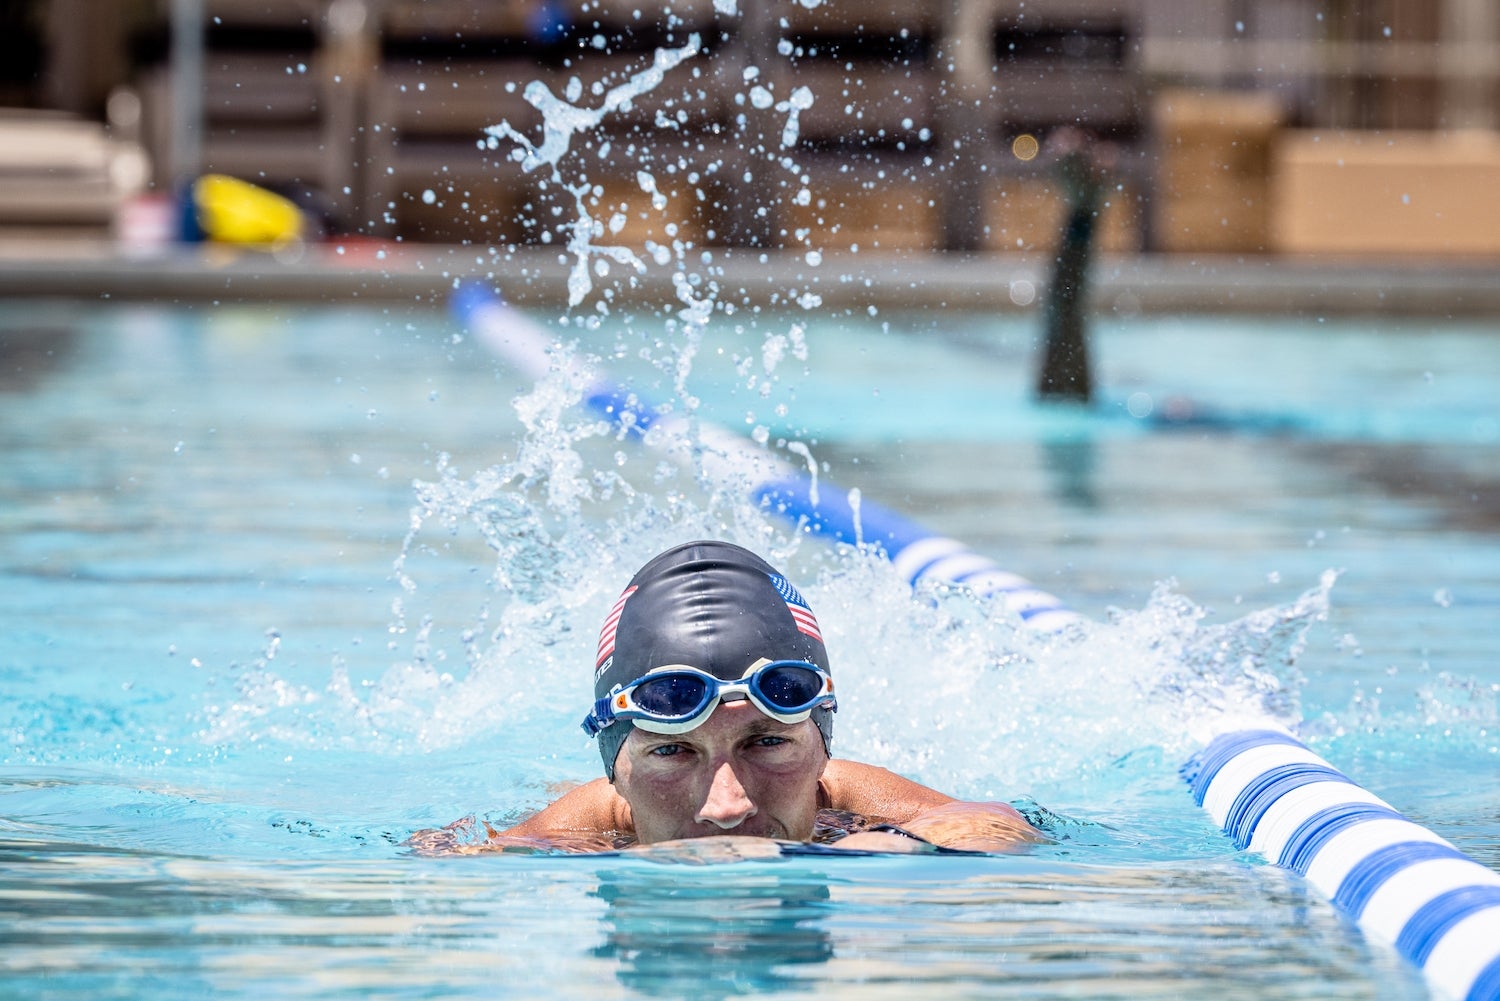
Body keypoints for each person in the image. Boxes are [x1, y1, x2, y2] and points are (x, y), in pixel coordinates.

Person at [464, 540, 1044, 855]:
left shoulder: (840, 797)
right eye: (672, 751)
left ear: (821, 752)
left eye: (767, 742)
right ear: (616, 770)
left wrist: (887, 844)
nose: (728, 806)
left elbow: (999, 824)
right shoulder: (572, 834)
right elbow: (444, 866)